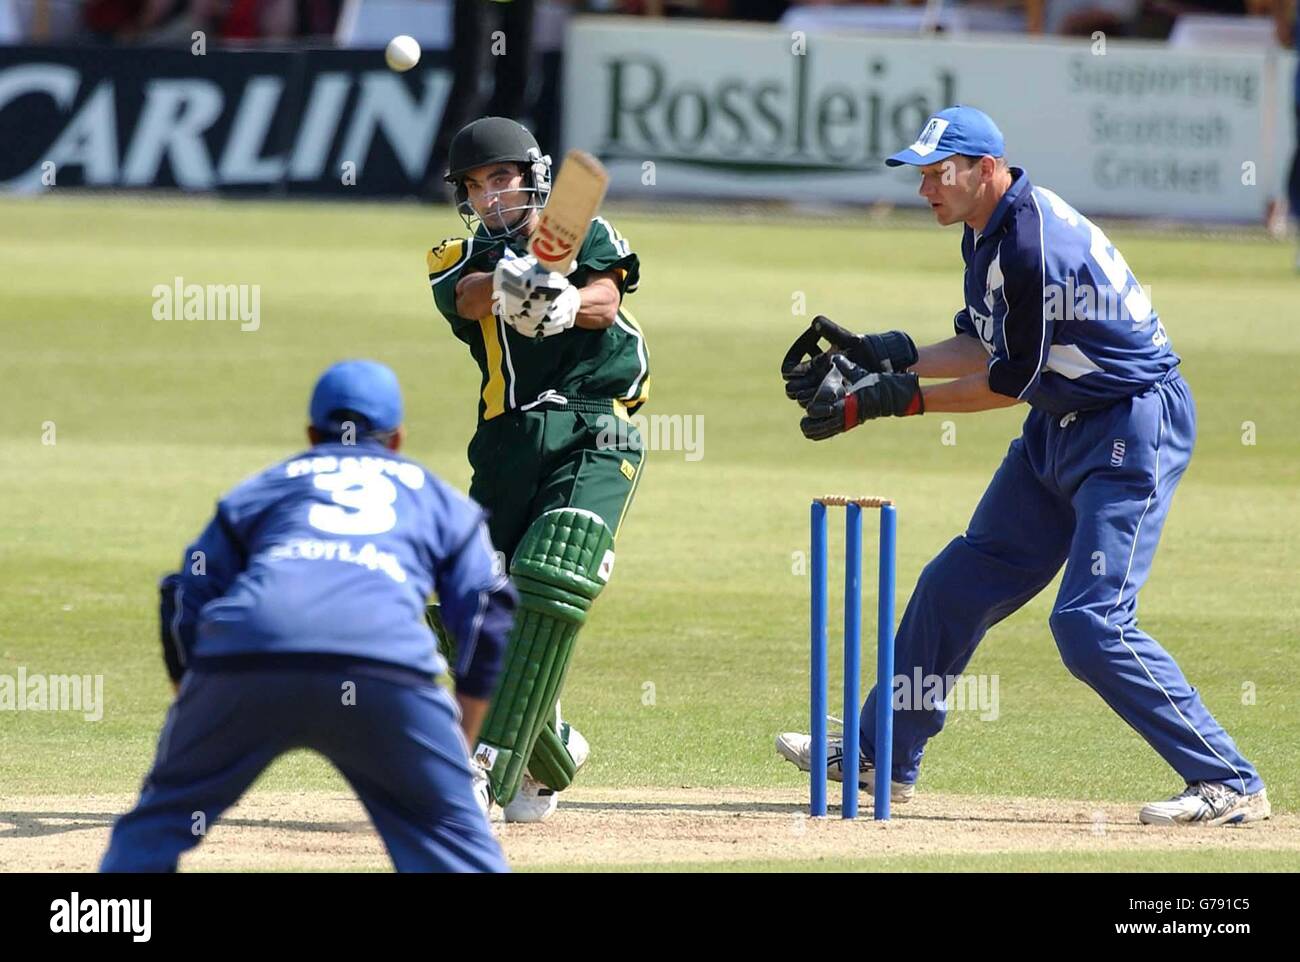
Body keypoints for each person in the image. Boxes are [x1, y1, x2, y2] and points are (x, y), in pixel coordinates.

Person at [776, 106, 1269, 827]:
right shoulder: (991, 227)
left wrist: (890, 401)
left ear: (985, 168)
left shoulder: (1033, 243)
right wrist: (883, 352)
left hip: (1129, 424)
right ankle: (880, 755)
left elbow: (1008, 384)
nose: (924, 191)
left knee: (1088, 623)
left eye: (937, 175)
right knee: (954, 585)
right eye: (921, 176)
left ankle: (1228, 779)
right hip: (1062, 422)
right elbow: (984, 343)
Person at [101, 360, 514, 871]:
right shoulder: (434, 495)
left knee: (156, 825)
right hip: (383, 667)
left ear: (311, 434)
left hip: (248, 656)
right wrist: (459, 745)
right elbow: (487, 611)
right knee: (453, 839)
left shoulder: (268, 485)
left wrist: (198, 707)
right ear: (398, 439)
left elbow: (184, 594)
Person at [425, 116, 648, 822]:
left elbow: (607, 300)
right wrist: (514, 283)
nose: (490, 198)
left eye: (501, 180)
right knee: (467, 608)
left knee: (556, 566)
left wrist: (562, 302)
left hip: (596, 420)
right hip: (507, 439)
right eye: (476, 187)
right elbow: (466, 297)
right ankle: (548, 755)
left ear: (532, 177)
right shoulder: (454, 257)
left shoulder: (580, 230)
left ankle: (482, 768)